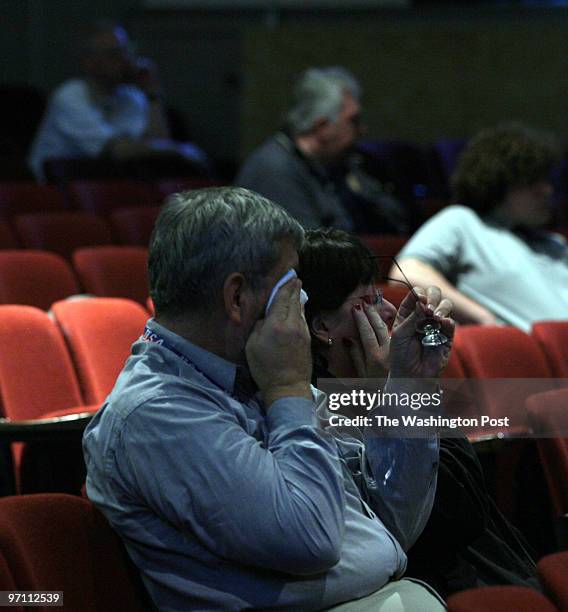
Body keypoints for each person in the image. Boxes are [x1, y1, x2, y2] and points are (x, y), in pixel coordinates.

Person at [83, 186, 449, 611]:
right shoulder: (157, 414)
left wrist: (408, 385)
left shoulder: (253, 377)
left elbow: (390, 526)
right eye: (293, 286)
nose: (305, 301)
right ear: (237, 298)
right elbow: (310, 540)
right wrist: (290, 388)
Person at [298, 227, 539, 599]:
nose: (390, 309)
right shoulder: (313, 412)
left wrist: (415, 384)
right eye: (369, 299)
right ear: (321, 327)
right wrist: (395, 391)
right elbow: (452, 521)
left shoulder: (384, 383)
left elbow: (473, 497)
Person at [390, 122, 568, 331]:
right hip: (528, 355)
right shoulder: (463, 222)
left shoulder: (555, 243)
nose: (547, 191)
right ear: (499, 181)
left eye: (547, 180)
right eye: (533, 181)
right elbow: (405, 272)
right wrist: (481, 316)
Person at [236, 67, 410, 234]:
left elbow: (395, 221)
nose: (362, 130)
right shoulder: (274, 171)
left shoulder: (338, 165)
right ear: (322, 127)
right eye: (353, 121)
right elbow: (310, 254)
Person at [28, 21, 207, 181]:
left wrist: (152, 93)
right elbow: (116, 151)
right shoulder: (69, 96)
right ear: (89, 62)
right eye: (115, 54)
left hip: (104, 183)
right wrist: (178, 150)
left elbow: (157, 142)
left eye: (127, 51)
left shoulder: (132, 97)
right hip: (55, 190)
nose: (127, 60)